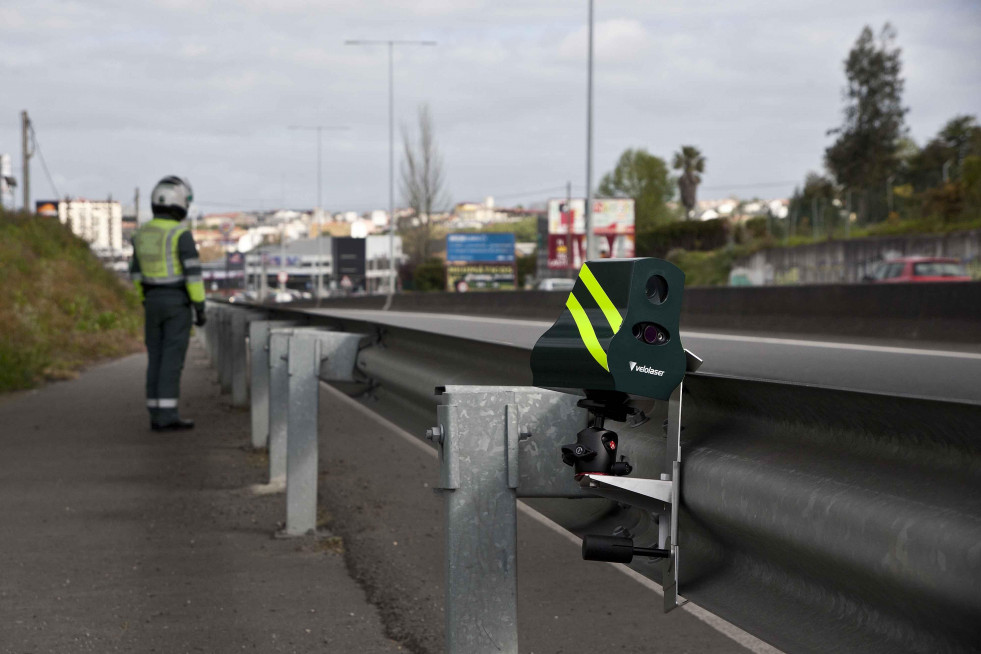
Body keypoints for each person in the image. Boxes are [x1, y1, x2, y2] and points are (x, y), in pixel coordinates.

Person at [130, 175, 206, 431]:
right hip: (176, 303)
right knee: (172, 360)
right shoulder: (180, 234)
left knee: (156, 357)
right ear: (180, 202)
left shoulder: (141, 234)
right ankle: (168, 415)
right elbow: (193, 275)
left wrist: (145, 299)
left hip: (151, 302)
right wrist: (199, 306)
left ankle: (155, 412)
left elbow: (136, 274)